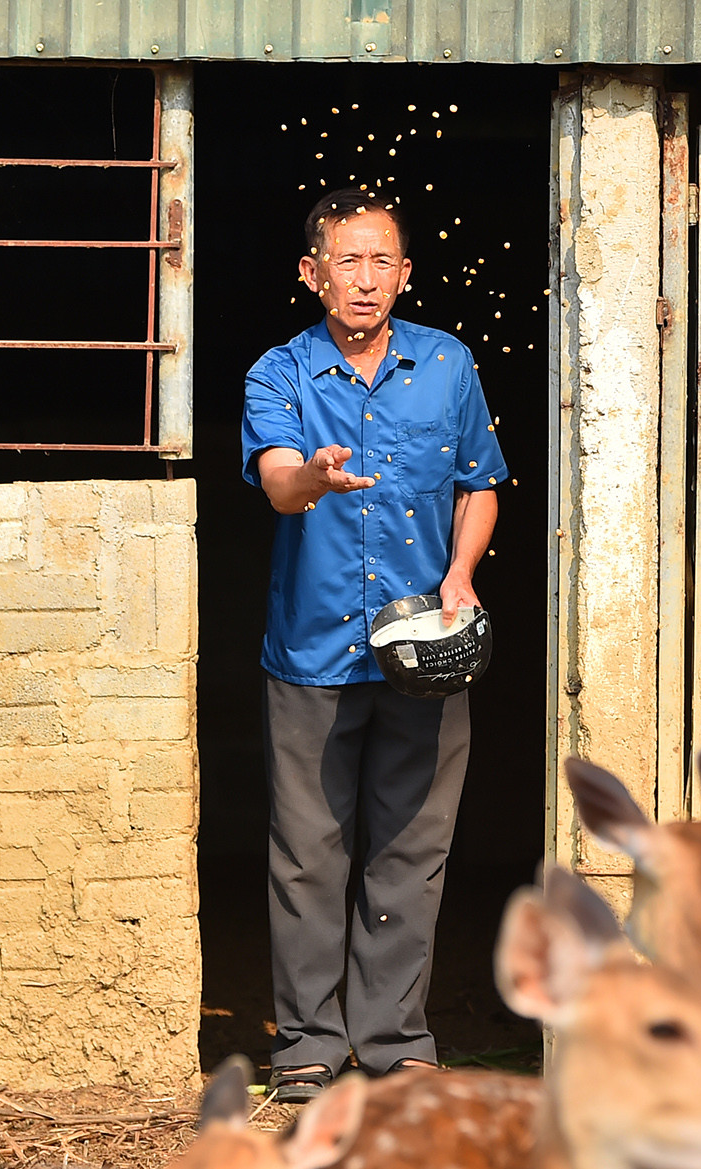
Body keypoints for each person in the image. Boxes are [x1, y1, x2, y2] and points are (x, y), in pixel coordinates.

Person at [240, 188, 506, 1102]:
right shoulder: (279, 374)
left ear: (404, 273)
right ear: (311, 274)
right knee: (309, 851)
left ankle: (394, 1040)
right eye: (346, 262)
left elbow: (481, 483)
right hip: (314, 652)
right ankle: (309, 1044)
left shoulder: (448, 364)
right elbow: (276, 481)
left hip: (424, 653)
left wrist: (461, 576)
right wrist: (311, 475)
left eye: (381, 261)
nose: (365, 280)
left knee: (411, 847)